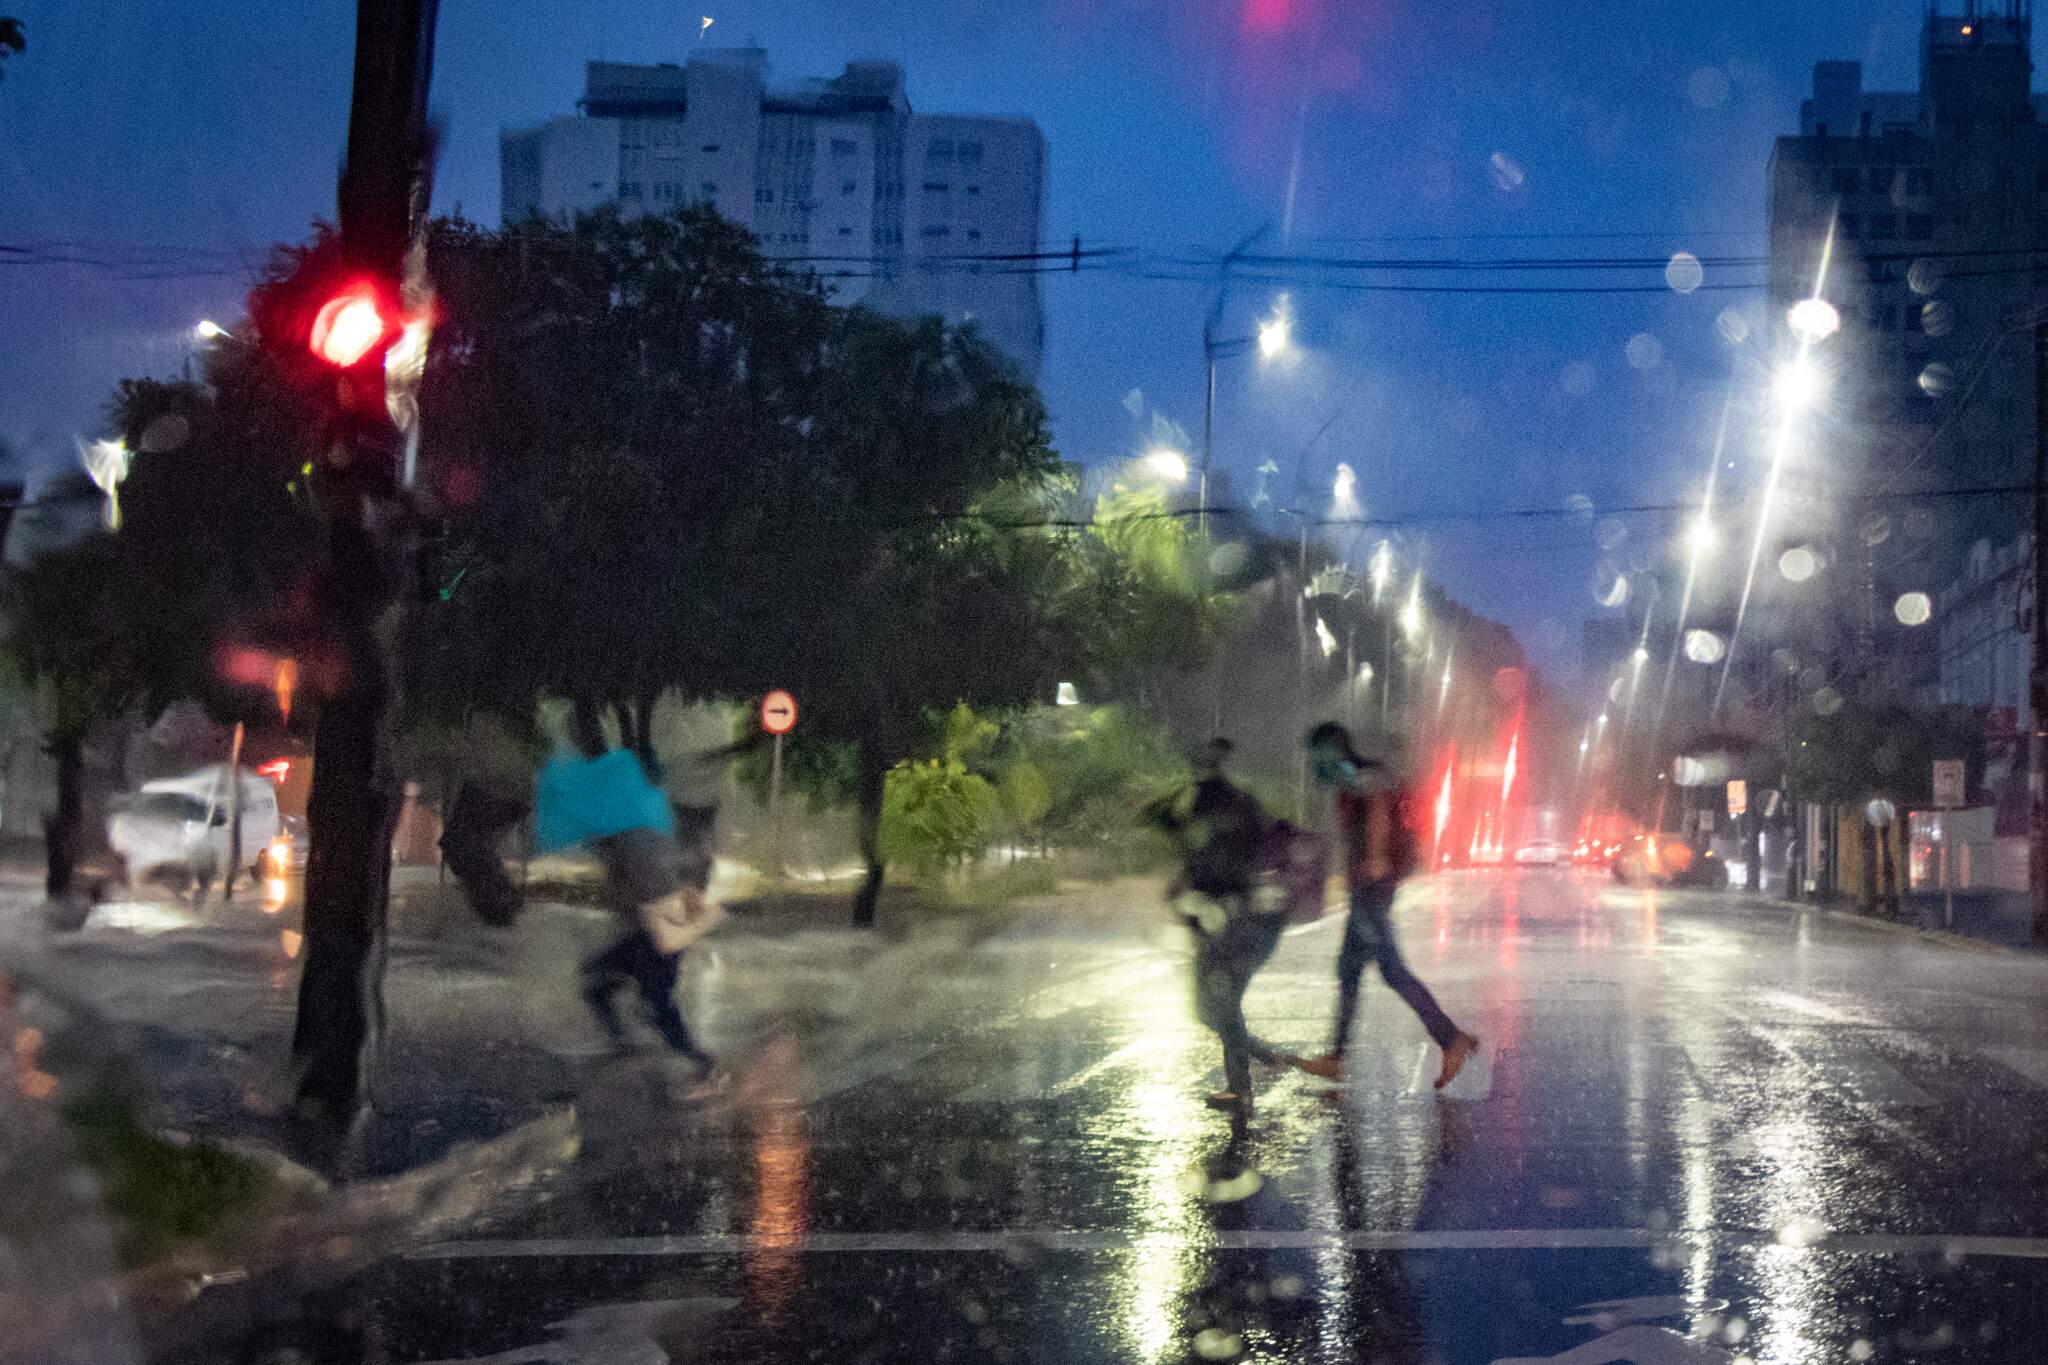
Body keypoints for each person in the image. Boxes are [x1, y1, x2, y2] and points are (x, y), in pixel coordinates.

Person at [537, 717, 723, 1096]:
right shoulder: (638, 830)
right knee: (601, 982)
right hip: (665, 924)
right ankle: (631, 1043)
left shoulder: (629, 840)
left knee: (653, 1003)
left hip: (660, 927)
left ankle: (703, 1064)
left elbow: (645, 890)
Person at [1295, 722, 1478, 1089]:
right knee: (1349, 969)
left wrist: (1376, 858)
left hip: (1372, 889)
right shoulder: (1356, 776)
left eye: (1319, 752)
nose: (1315, 762)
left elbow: (1377, 807)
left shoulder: (1358, 775)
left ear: (1333, 749)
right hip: (1368, 887)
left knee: (1392, 971)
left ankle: (1451, 1039)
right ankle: (1337, 1057)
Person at [1151, 738, 1292, 1116]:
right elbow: (1209, 848)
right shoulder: (1235, 801)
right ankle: (1257, 1053)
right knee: (1207, 1008)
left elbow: (1198, 842)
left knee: (1221, 1004)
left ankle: (1240, 1088)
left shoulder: (1208, 800)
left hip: (1227, 918)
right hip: (1233, 916)